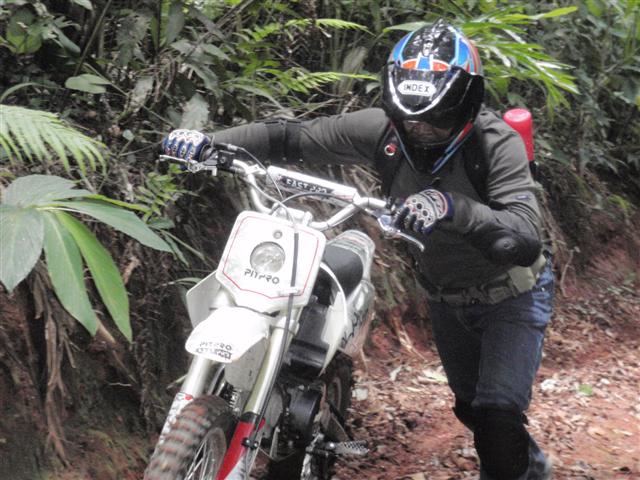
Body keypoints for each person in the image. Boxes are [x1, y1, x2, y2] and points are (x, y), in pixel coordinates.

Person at [162, 20, 554, 480]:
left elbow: (523, 234)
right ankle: (529, 466)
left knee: (497, 417)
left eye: (434, 121)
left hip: (511, 295)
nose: (420, 129)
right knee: (472, 409)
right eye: (410, 119)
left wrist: (450, 206)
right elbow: (292, 137)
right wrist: (211, 143)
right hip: (445, 296)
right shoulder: (385, 130)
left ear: (464, 104)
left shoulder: (495, 143)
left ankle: (522, 468)